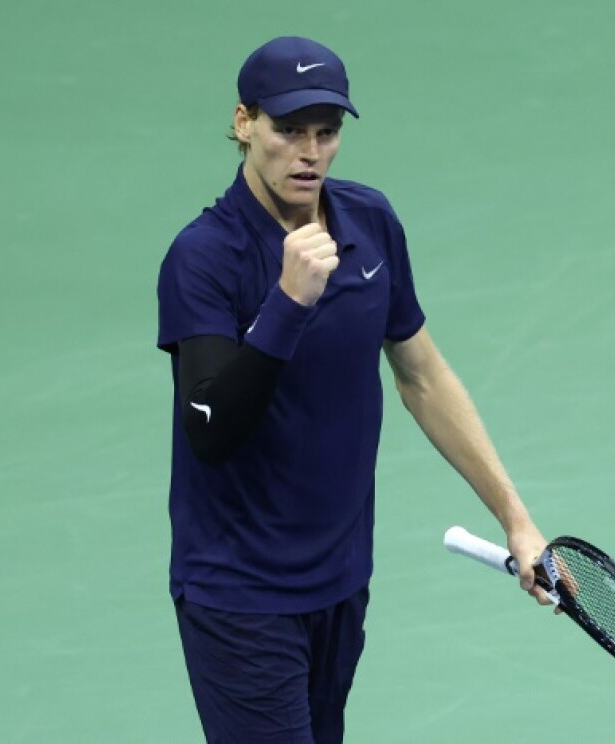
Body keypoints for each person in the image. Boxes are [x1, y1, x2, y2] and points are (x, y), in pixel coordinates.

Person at [156, 36, 551, 743]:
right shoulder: (204, 257)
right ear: (245, 123)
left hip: (340, 580)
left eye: (327, 133)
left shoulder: (369, 223)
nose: (309, 152)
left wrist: (517, 522)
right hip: (240, 594)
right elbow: (209, 430)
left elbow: (423, 376)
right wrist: (287, 303)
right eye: (288, 130)